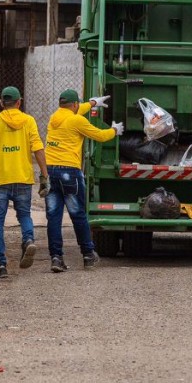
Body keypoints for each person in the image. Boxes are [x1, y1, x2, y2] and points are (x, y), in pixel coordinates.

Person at [44, 89, 123, 272]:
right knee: (78, 214)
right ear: (74, 105)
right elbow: (100, 136)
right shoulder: (77, 120)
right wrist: (114, 130)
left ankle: (56, 258)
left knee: (54, 217)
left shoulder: (54, 117)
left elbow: (76, 112)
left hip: (50, 171)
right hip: (69, 172)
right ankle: (88, 255)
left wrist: (93, 103)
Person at [0, 86, 50, 279]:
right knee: (25, 215)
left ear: (1, 102)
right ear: (19, 102)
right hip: (23, 179)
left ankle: (1, 265)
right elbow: (38, 149)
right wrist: (44, 176)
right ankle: (28, 239)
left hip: (0, 180)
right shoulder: (29, 121)